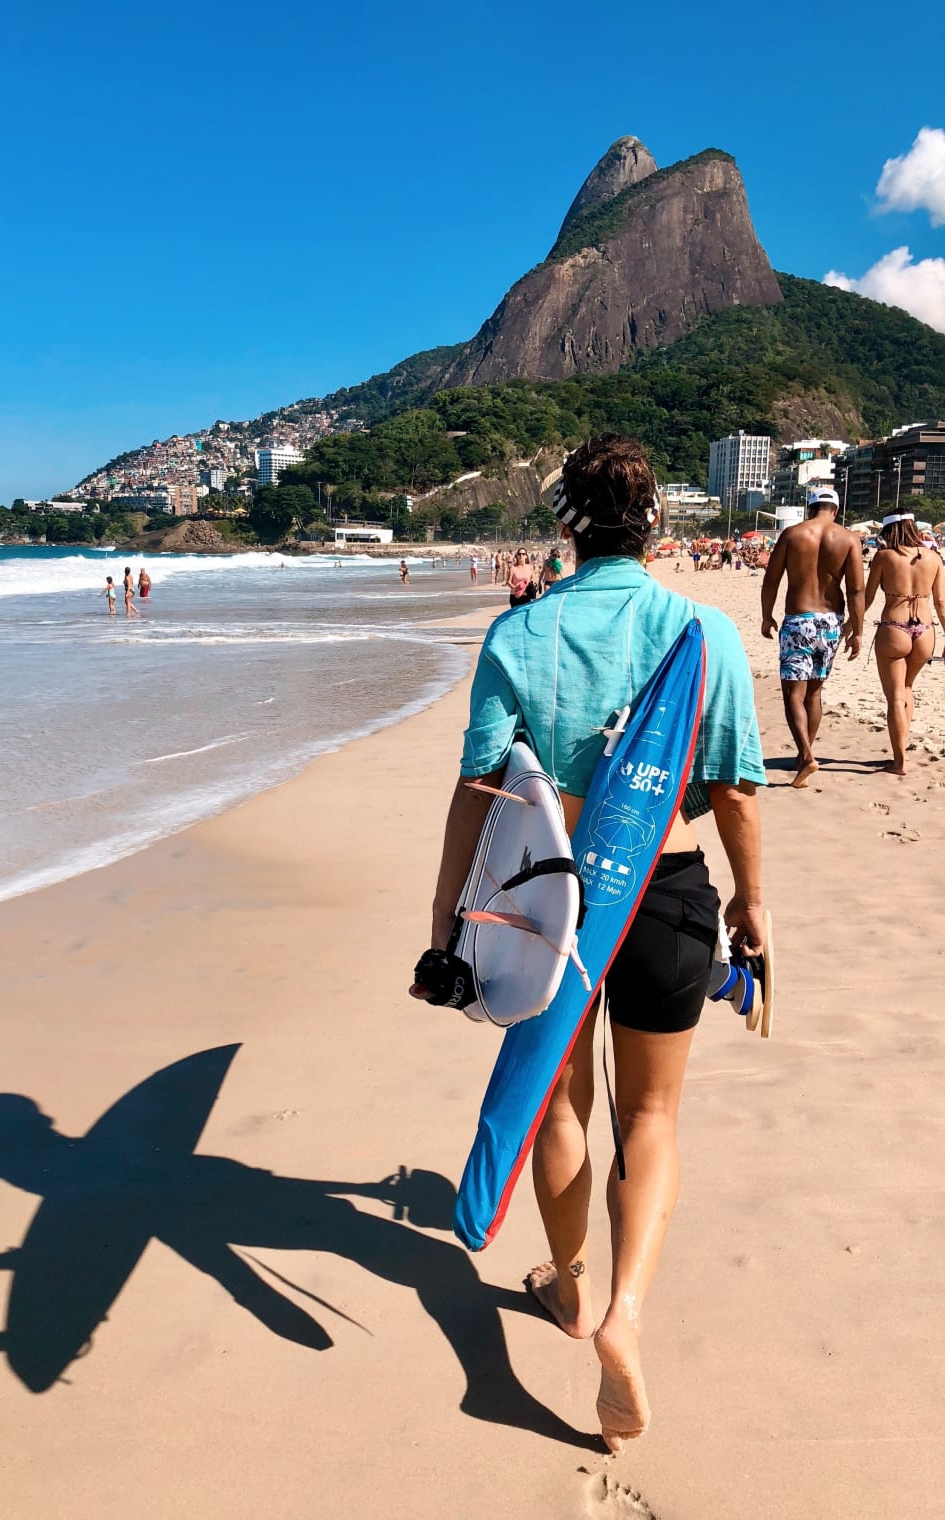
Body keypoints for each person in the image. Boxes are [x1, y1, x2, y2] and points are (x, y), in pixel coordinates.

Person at [411, 434, 765, 1453]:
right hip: (671, 887)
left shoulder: (520, 635)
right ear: (656, 523)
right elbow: (735, 787)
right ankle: (627, 1312)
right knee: (649, 1113)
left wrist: (447, 921)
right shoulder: (699, 630)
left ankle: (566, 1287)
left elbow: (482, 788)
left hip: (549, 905)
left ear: (566, 521)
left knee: (560, 1099)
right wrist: (755, 903)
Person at [760, 487, 864, 788]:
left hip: (798, 621)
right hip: (830, 623)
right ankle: (804, 752)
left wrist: (767, 615)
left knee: (793, 694)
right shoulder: (848, 539)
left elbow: (771, 580)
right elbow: (856, 590)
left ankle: (805, 755)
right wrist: (857, 631)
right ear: (836, 509)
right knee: (814, 694)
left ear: (811, 507)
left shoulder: (793, 534)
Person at [864, 512, 945, 775]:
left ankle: (899, 762)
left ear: (889, 532)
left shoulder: (885, 557)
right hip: (925, 630)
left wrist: (851, 627)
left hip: (894, 628)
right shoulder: (934, 558)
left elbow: (866, 598)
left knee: (895, 696)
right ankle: (902, 750)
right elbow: (941, 602)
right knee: (908, 687)